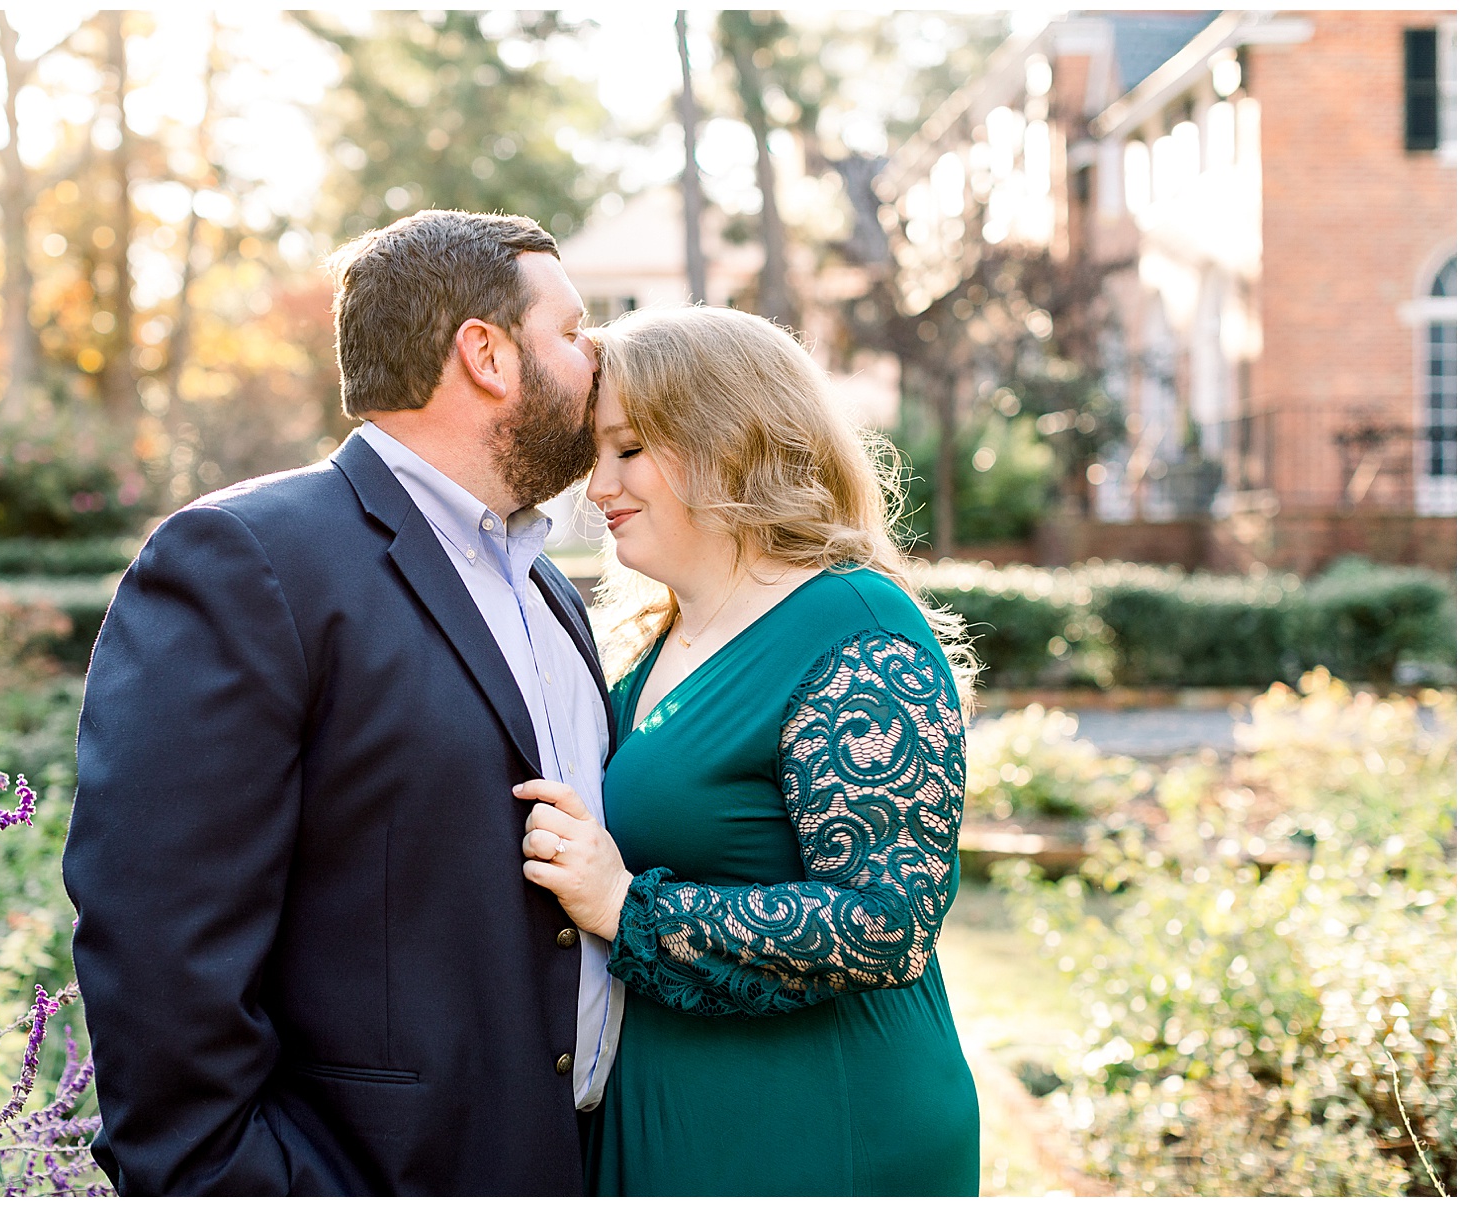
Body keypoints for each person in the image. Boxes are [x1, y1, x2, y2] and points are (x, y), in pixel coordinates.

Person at [62, 209, 621, 1195]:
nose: (599, 361)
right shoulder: (246, 560)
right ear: (487, 354)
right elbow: (160, 954)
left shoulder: (551, 590)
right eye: (573, 333)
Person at [514, 305, 983, 1196]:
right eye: (595, 454)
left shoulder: (856, 630)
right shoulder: (659, 637)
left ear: (728, 438)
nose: (597, 486)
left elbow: (885, 922)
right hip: (677, 1122)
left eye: (628, 449)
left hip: (822, 1130)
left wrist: (626, 905)